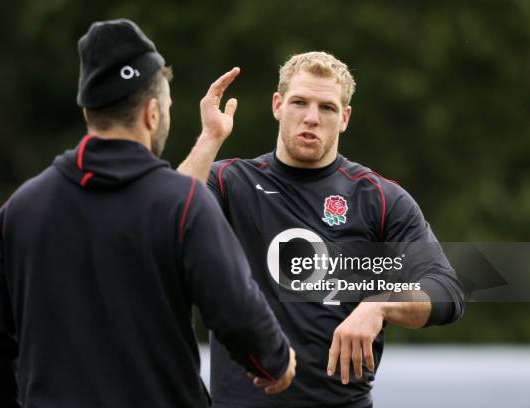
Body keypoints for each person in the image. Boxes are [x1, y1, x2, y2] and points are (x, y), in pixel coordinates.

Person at [0, 19, 296, 408]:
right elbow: (239, 315)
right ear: (152, 114)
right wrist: (275, 361)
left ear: (89, 110)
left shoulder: (18, 211)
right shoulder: (184, 204)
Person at [178, 52, 465, 407]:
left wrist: (379, 305)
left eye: (327, 108)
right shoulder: (228, 182)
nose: (311, 118)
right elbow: (170, 219)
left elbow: (446, 291)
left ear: (344, 118)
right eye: (300, 102)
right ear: (278, 105)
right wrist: (210, 138)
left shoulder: (378, 198)